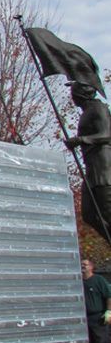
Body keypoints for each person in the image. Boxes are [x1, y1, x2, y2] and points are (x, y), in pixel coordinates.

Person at [65, 81, 111, 241]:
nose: (72, 97)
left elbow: (107, 134)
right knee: (89, 214)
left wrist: (81, 140)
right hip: (91, 168)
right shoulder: (87, 111)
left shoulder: (99, 108)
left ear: (81, 94)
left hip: (103, 169)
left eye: (74, 94)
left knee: (107, 213)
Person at [82, 258, 111, 343]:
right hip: (84, 319)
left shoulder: (98, 280)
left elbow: (108, 296)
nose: (82, 266)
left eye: (85, 264)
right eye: (81, 264)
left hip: (98, 318)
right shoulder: (79, 282)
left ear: (91, 267)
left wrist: (109, 311)